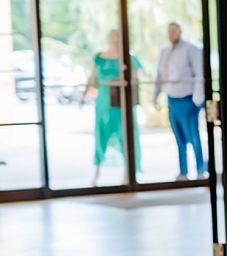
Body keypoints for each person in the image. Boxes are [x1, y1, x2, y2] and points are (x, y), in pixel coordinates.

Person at [82, 29, 142, 187]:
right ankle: (96, 174)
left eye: (118, 37)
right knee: (101, 137)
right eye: (112, 37)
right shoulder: (99, 58)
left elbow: (135, 78)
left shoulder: (129, 57)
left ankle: (128, 175)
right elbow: (92, 78)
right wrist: (83, 96)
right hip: (103, 104)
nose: (114, 40)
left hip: (121, 104)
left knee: (125, 137)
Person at [154, 22, 206, 181]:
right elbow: (159, 74)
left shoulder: (192, 48)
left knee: (193, 135)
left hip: (189, 98)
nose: (172, 34)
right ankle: (183, 171)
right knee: (179, 137)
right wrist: (155, 96)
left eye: (174, 31)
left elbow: (199, 72)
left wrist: (198, 98)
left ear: (180, 31)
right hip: (172, 98)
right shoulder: (165, 50)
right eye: (169, 31)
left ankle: (200, 169)